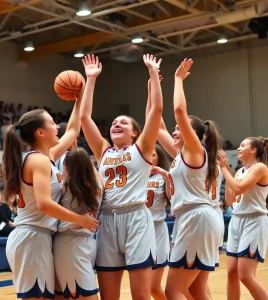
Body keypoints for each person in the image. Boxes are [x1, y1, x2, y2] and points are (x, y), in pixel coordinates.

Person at [3, 85, 99, 299]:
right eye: (52, 123)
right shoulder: (38, 160)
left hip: (39, 236)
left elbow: (73, 129)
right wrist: (79, 220)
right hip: (31, 237)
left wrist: (79, 96)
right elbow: (44, 204)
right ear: (40, 132)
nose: (58, 127)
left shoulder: (46, 157)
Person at [80, 53, 163, 300]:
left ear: (135, 132)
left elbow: (156, 109)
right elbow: (85, 118)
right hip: (107, 220)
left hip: (136, 217)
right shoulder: (103, 151)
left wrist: (152, 74)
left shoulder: (143, 148)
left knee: (140, 294)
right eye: (114, 122)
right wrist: (91, 79)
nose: (117, 124)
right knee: (109, 296)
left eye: (124, 123)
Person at [152, 59, 222, 299]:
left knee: (174, 290)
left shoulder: (195, 150)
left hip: (195, 218)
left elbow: (180, 111)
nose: (173, 131)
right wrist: (153, 88)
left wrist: (178, 79)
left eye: (178, 128)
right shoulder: (181, 155)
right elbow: (156, 124)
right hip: (197, 218)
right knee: (196, 289)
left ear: (194, 135)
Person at [218, 137, 268, 300]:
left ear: (253, 150)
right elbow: (230, 201)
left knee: (245, 275)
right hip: (237, 220)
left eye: (242, 145)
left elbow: (239, 188)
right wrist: (229, 174)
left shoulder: (260, 168)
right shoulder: (240, 172)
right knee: (232, 272)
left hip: (254, 220)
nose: (238, 148)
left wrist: (224, 170)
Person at [53, 148, 103, 300]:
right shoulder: (98, 183)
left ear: (66, 166)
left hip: (69, 243)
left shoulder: (64, 185)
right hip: (85, 242)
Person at [146, 144, 171, 300]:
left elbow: (172, 197)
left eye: (153, 155)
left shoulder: (163, 177)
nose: (149, 158)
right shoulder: (135, 176)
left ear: (160, 158)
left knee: (153, 287)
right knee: (143, 288)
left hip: (156, 230)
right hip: (138, 230)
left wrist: (166, 176)